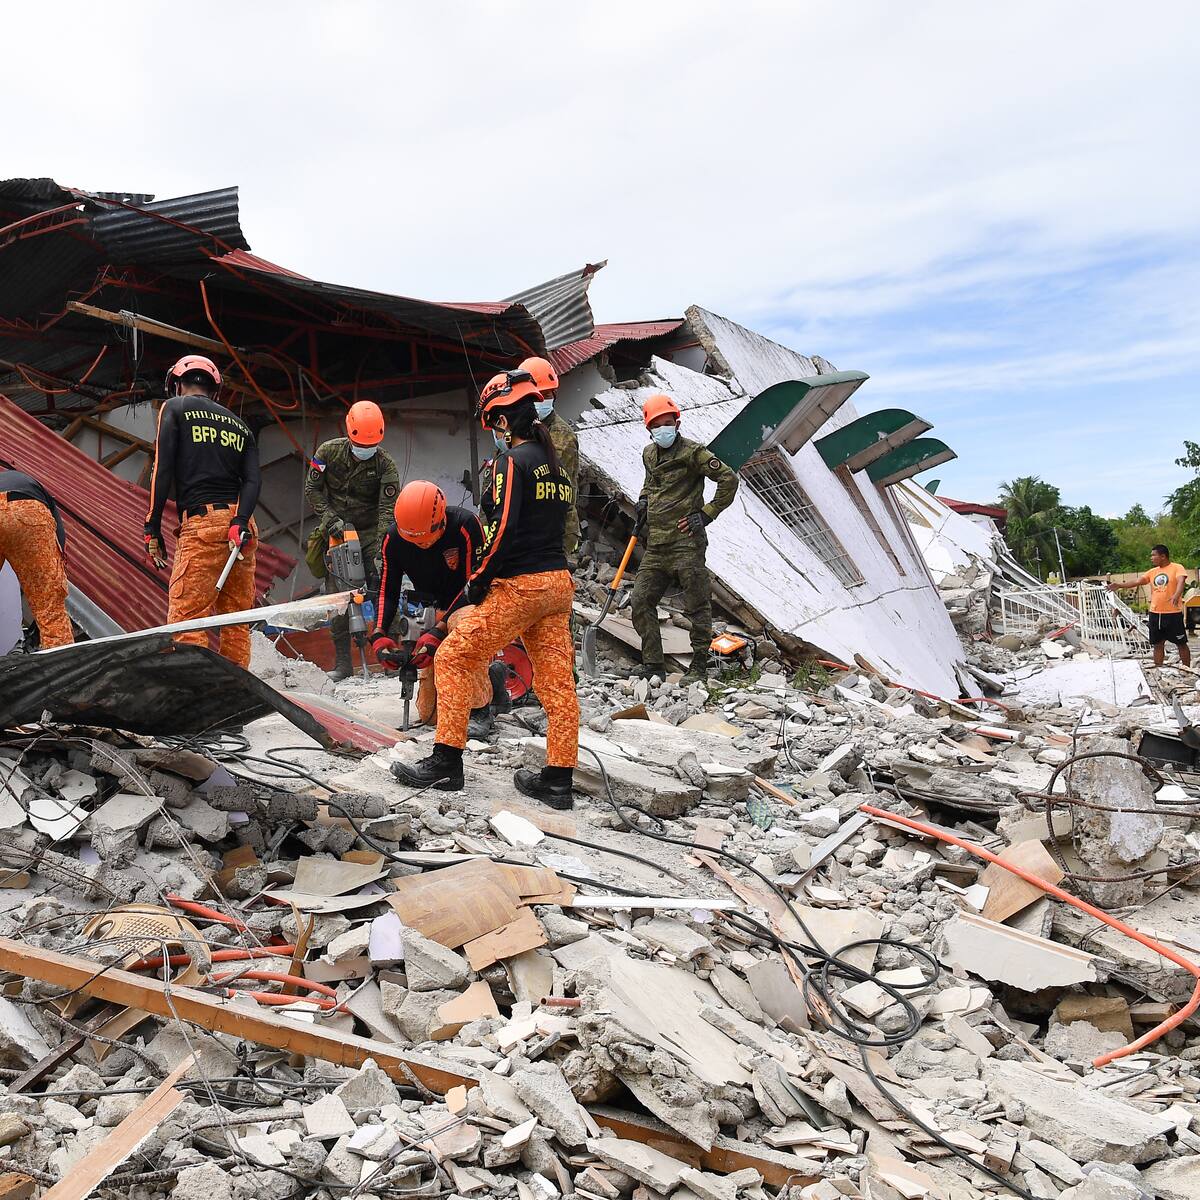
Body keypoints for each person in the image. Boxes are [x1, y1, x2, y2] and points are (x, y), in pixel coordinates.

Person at [391, 369, 578, 807]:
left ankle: (446, 762)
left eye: (493, 423)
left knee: (453, 657)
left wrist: (477, 583)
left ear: (502, 420)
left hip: (522, 586)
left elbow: (503, 529)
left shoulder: (512, 462)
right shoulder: (555, 465)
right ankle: (558, 780)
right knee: (556, 683)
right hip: (557, 584)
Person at [144, 355, 260, 668]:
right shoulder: (241, 426)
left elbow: (163, 469)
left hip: (203, 525)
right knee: (236, 621)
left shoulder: (175, 408)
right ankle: (236, 693)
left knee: (188, 619)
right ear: (215, 389)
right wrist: (239, 520)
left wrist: (152, 526)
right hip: (242, 527)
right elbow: (252, 480)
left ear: (177, 384)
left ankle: (195, 693)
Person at [370, 481, 506, 737]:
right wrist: (379, 634)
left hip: (469, 604)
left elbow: (475, 586)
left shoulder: (464, 526)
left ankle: (480, 710)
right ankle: (493, 680)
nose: (421, 544)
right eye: (413, 539)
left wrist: (440, 628)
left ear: (440, 520)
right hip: (431, 608)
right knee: (430, 715)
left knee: (464, 623)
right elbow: (388, 589)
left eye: (425, 537)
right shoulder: (393, 539)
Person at [630, 393, 738, 683]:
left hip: (686, 544)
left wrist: (707, 514)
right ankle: (653, 665)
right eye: (656, 425)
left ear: (676, 424)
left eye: (667, 423)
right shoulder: (649, 454)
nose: (662, 429)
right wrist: (643, 500)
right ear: (649, 428)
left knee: (697, 606)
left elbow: (728, 479)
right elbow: (650, 483)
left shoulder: (693, 453)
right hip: (656, 546)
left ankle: (699, 667)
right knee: (640, 600)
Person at [304, 401, 401, 680]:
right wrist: (329, 519)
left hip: (371, 533)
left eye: (371, 445)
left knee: (383, 590)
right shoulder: (327, 452)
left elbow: (387, 509)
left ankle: (390, 656)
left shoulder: (385, 464)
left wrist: (381, 550)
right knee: (338, 599)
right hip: (336, 533)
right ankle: (344, 663)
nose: (365, 449)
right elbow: (312, 489)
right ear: (349, 433)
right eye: (360, 444)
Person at [0, 467, 73, 649]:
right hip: (27, 510)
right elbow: (60, 545)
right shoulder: (48, 505)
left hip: (22, 502)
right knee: (50, 611)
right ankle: (60, 665)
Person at [520, 356, 580, 561]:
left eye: (546, 395)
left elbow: (560, 490)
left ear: (554, 395)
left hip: (553, 528)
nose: (540, 401)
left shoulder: (563, 436)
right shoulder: (514, 430)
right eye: (535, 395)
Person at [1109, 544, 1192, 667]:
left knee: (1181, 643)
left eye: (1153, 555)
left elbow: (1181, 581)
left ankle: (1187, 669)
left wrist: (1176, 594)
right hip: (1155, 614)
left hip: (1173, 614)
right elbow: (1137, 581)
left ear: (1163, 556)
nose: (1151, 558)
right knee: (1157, 644)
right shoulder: (1152, 572)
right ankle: (1158, 668)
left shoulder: (1177, 567)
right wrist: (1120, 585)